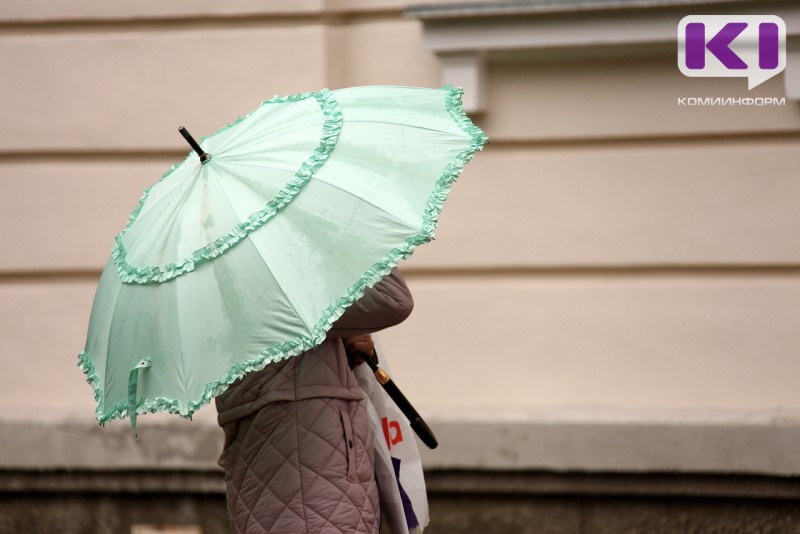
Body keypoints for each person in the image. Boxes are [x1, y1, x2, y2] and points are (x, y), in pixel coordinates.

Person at [215, 268, 413, 533]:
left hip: (297, 489)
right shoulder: (275, 283)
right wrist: (343, 226)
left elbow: (292, 374)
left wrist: (343, 350)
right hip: (313, 495)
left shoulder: (227, 287)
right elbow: (393, 299)